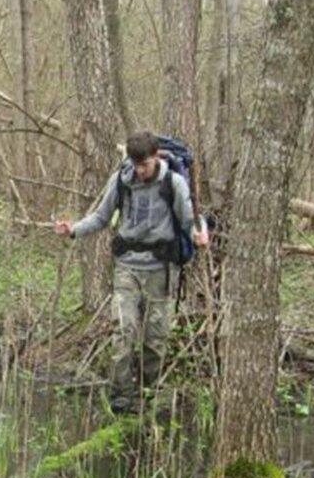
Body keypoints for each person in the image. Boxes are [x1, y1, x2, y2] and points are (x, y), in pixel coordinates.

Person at [55, 130, 210, 413]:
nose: (139, 171)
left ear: (156, 158)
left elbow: (190, 219)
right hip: (127, 266)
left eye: (144, 165)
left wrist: (201, 233)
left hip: (160, 270)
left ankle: (149, 392)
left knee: (155, 336)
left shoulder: (174, 183)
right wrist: (74, 230)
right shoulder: (121, 181)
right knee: (123, 330)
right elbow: (101, 217)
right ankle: (122, 396)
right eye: (135, 165)